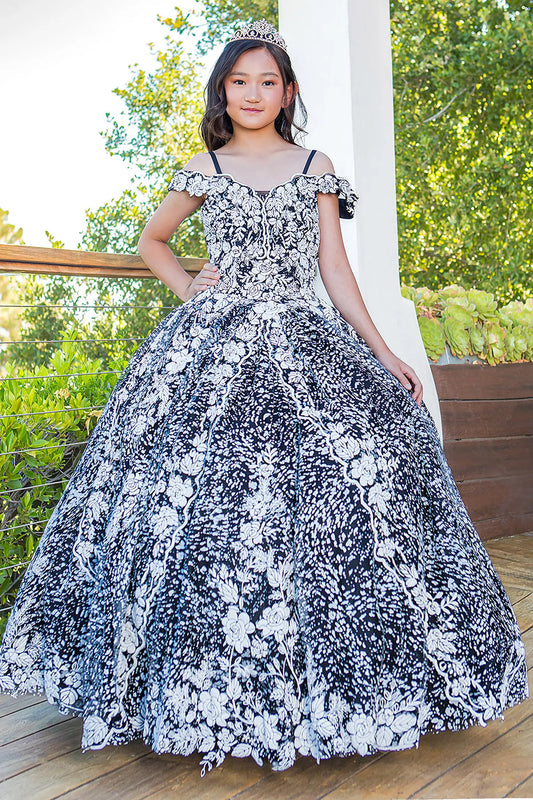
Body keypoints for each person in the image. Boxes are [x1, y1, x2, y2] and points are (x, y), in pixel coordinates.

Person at [0, 19, 528, 779]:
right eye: (239, 80)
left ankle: (356, 684)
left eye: (267, 81)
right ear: (223, 90)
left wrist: (384, 352)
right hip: (211, 344)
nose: (252, 93)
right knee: (197, 506)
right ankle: (185, 689)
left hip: (304, 340)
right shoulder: (202, 165)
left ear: (287, 92)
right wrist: (188, 286)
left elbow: (334, 270)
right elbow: (153, 239)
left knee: (352, 485)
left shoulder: (314, 165)